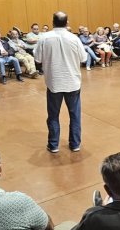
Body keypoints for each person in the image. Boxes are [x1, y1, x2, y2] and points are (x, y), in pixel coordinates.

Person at [34, 11, 88, 153]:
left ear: (52, 22)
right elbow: (83, 58)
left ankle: (53, 145)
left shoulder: (44, 38)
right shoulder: (74, 38)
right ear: (67, 23)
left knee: (53, 115)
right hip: (73, 83)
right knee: (75, 115)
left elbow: (37, 60)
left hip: (54, 83)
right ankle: (75, 144)